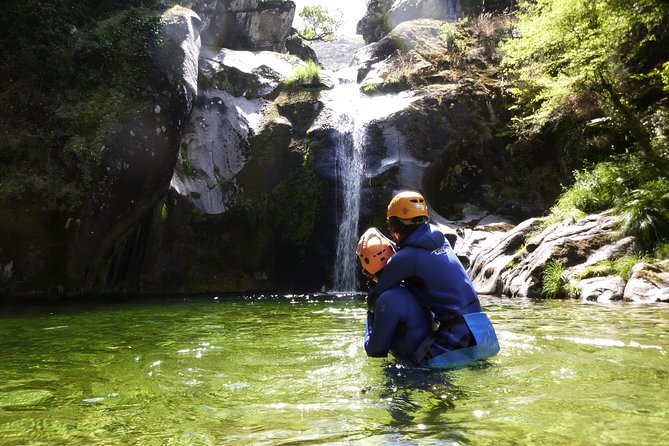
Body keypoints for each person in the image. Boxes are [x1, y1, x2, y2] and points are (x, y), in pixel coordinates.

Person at [368, 190, 500, 368]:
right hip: (483, 331)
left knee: (411, 372)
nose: (392, 233)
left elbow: (376, 297)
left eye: (391, 226)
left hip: (458, 335)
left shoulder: (405, 258)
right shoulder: (440, 239)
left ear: (398, 225)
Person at [356, 227, 433, 363]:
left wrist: (371, 312)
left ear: (368, 271)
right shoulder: (414, 282)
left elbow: (375, 351)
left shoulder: (388, 299)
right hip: (431, 362)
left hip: (413, 374)